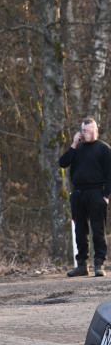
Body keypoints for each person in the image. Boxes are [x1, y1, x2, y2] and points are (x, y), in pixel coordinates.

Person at [59, 117, 111, 277]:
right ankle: (82, 265)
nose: (86, 133)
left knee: (98, 230)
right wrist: (73, 144)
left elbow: (110, 174)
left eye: (89, 130)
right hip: (78, 192)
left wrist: (106, 195)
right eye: (83, 130)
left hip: (96, 192)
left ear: (96, 130)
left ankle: (99, 264)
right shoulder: (77, 149)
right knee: (80, 230)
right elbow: (62, 163)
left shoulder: (104, 149)